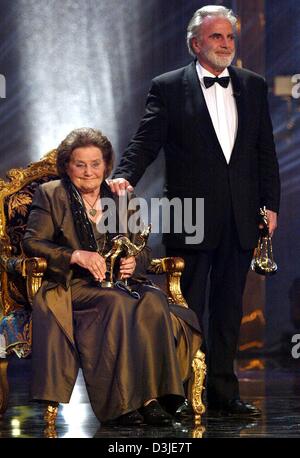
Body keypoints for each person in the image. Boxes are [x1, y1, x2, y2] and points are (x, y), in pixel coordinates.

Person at [109, 5, 281, 416]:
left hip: (242, 215)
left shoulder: (253, 85)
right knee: (186, 308)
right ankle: (178, 393)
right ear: (195, 43)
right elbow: (145, 141)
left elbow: (265, 151)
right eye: (217, 37)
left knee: (228, 309)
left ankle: (223, 392)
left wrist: (270, 206)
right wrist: (123, 175)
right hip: (188, 214)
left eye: (230, 37)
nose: (225, 44)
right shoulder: (168, 87)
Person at [23, 127, 201, 426]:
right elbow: (33, 242)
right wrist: (74, 255)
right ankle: (121, 405)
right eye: (80, 164)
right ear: (67, 166)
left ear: (106, 165)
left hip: (122, 285)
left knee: (154, 300)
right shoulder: (51, 194)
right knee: (118, 304)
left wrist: (135, 262)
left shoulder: (121, 196)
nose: (88, 171)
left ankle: (159, 398)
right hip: (74, 287)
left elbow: (143, 249)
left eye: (96, 164)